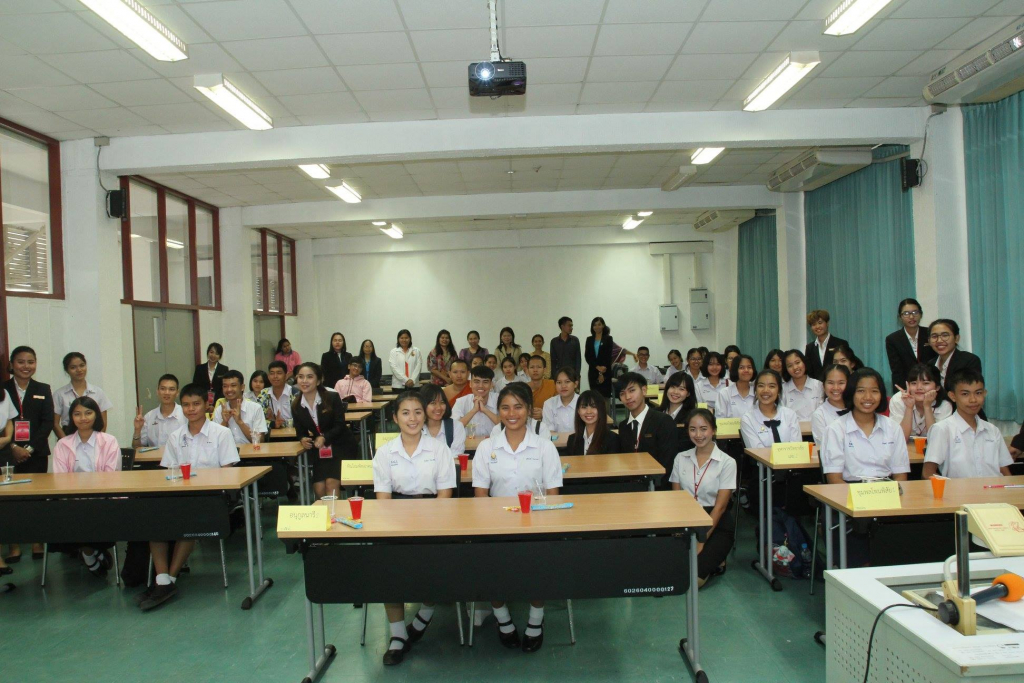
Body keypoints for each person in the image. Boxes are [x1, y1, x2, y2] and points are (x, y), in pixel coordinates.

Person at [473, 384, 563, 652]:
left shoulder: (545, 447)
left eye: (518, 407)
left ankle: (536, 620)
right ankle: (503, 619)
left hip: (537, 522)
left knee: (539, 566)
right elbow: (480, 496)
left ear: (529, 410)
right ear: (498, 411)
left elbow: (553, 496)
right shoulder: (486, 447)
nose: (511, 414)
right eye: (505, 407)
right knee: (488, 568)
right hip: (496, 524)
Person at [373, 391, 456, 665]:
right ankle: (398, 635)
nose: (413, 418)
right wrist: (397, 527)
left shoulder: (439, 449)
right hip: (395, 518)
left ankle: (425, 613)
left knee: (434, 568)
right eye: (406, 413)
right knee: (389, 572)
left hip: (434, 515)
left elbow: (445, 494)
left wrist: (430, 523)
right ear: (395, 418)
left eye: (418, 412)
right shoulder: (385, 452)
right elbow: (383, 499)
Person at [140, 383, 239, 610]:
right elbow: (169, 472)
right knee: (153, 518)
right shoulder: (176, 436)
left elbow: (229, 473)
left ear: (206, 405)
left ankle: (168, 580)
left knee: (188, 520)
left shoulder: (221, 433)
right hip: (181, 495)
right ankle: (164, 579)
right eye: (186, 405)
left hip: (212, 498)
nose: (191, 409)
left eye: (196, 404)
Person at [52, 396, 121, 578]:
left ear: (96, 415)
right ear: (71, 417)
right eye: (77, 414)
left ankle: (89, 553)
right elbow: (60, 479)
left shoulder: (109, 441)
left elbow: (111, 476)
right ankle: (91, 552)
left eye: (88, 413)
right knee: (67, 515)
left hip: (103, 500)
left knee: (87, 515)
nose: (83, 418)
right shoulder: (62, 444)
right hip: (73, 501)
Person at [669, 409, 736, 587]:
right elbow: (676, 500)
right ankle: (715, 562)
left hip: (715, 522)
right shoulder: (680, 458)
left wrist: (701, 539)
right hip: (688, 520)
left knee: (692, 581)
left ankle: (716, 559)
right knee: (670, 571)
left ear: (713, 430)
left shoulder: (727, 462)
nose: (698, 435)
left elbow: (720, 508)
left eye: (704, 429)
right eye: (693, 429)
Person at [3, 345, 53, 562]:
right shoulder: (3, 389)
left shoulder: (43, 388)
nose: (26, 366)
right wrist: (13, 447)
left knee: (37, 499)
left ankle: (37, 543)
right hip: (7, 452)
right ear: (12, 364)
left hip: (36, 452)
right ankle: (14, 546)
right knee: (9, 501)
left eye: (31, 362)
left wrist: (29, 449)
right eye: (21, 362)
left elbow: (47, 422)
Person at [821, 368, 909, 484]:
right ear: (851, 393)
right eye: (861, 391)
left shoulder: (893, 428)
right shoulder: (835, 429)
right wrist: (861, 494)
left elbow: (901, 475)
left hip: (886, 489)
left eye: (874, 391)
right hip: (848, 490)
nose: (868, 397)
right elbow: (834, 479)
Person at [923, 369, 1013, 479]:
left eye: (978, 393)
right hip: (958, 489)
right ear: (952, 396)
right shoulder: (942, 429)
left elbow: (1004, 470)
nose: (973, 400)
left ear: (985, 393)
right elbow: (927, 473)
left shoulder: (992, 430)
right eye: (965, 394)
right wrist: (949, 488)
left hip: (994, 488)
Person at [292, 362, 353, 500]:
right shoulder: (296, 405)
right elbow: (300, 431)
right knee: (319, 488)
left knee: (331, 484)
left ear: (319, 380)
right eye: (301, 377)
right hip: (320, 449)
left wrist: (324, 437)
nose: (304, 381)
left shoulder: (332, 397)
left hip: (340, 445)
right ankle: (325, 513)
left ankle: (336, 513)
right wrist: (302, 439)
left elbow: (340, 425)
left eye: (309, 377)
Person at [618, 372, 677, 485]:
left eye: (632, 390)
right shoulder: (623, 426)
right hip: (630, 487)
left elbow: (668, 462)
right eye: (622, 393)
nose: (627, 397)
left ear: (644, 390)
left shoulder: (663, 421)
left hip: (657, 486)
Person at [53, 352, 113, 439]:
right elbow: (55, 423)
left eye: (82, 365)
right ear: (66, 370)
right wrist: (65, 442)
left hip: (94, 437)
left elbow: (103, 422)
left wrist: (96, 441)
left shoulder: (98, 392)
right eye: (73, 367)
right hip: (68, 436)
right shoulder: (59, 394)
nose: (79, 370)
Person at [885, 298, 937, 393]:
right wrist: (903, 392)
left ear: (921, 314)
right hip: (907, 387)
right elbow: (897, 370)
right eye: (906, 313)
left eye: (915, 312)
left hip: (931, 386)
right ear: (900, 317)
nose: (911, 317)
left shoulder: (930, 333)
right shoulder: (893, 339)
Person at [889, 364, 952, 440]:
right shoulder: (898, 400)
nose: (919, 388)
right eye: (914, 383)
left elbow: (936, 439)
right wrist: (909, 407)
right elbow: (900, 439)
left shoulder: (944, 405)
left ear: (937, 387)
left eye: (926, 383)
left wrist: (927, 406)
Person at [741, 369, 802, 448]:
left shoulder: (790, 415)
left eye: (772, 386)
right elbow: (757, 451)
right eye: (761, 386)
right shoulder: (748, 419)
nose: (766, 390)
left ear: (779, 391)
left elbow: (797, 447)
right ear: (755, 390)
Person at [212, 370, 267, 445]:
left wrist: (240, 422)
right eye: (225, 386)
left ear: (242, 387)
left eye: (233, 385)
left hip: (250, 452)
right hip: (227, 452)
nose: (229, 389)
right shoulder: (219, 410)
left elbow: (260, 441)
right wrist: (224, 422)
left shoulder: (255, 408)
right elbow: (214, 441)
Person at [132, 374, 187, 448]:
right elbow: (137, 448)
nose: (167, 392)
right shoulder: (149, 417)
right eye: (163, 389)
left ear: (177, 393)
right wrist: (137, 430)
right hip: (154, 456)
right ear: (157, 391)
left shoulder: (186, 414)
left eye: (171, 389)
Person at [927, 319, 982, 388]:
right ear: (929, 341)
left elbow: (968, 390)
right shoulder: (930, 364)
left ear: (956, 338)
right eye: (934, 336)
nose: (939, 340)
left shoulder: (969, 360)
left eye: (945, 335)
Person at [566, 389, 621, 455]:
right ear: (578, 411)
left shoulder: (612, 439)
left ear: (601, 409)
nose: (589, 411)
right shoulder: (572, 440)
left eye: (594, 406)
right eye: (584, 407)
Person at [452, 366, 499, 437]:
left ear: (491, 384)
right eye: (477, 382)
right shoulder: (461, 402)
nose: (481, 386)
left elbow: (507, 425)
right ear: (470, 384)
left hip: (495, 443)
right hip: (468, 444)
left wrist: (484, 410)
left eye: (485, 382)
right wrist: (474, 410)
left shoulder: (499, 400)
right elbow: (454, 428)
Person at [420, 384, 466, 455]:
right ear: (422, 405)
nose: (439, 407)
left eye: (442, 402)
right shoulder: (416, 428)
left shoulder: (456, 426)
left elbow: (455, 455)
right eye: (433, 403)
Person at [811, 364, 850, 445]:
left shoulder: (857, 409)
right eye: (830, 383)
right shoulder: (819, 415)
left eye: (841, 383)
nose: (836, 387)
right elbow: (825, 446)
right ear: (823, 385)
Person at [781, 349, 824, 421]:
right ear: (786, 369)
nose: (795, 367)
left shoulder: (819, 385)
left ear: (804, 362)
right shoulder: (783, 389)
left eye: (797, 362)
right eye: (790, 365)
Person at [804, 310, 848, 380]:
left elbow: (845, 368)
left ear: (827, 323)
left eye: (820, 323)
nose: (817, 326)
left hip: (836, 383)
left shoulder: (840, 343)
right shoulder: (809, 348)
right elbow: (809, 371)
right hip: (816, 385)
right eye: (813, 324)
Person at [0, 386, 16, 577]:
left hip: (3, 446)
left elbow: (10, 420)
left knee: (4, 501)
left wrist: (7, 438)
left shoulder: (4, 393)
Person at [257, 361, 299, 428]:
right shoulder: (263, 394)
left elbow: (302, 419)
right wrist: (273, 424)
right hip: (273, 433)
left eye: (279, 373)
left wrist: (282, 424)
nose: (275, 376)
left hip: (294, 432)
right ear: (268, 377)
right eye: (272, 373)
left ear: (286, 376)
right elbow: (257, 419)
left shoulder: (295, 393)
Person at [715, 354, 756, 419]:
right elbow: (720, 420)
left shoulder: (757, 393)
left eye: (749, 367)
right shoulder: (724, 394)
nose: (746, 370)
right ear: (735, 370)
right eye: (741, 367)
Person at [541, 367, 580, 434]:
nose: (563, 386)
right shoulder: (549, 404)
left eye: (567, 382)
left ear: (575, 384)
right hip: (555, 441)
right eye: (559, 382)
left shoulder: (584, 402)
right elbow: (549, 433)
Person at [584, 317, 614, 398]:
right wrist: (597, 367)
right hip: (593, 371)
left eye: (599, 324)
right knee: (594, 397)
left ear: (603, 325)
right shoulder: (589, 339)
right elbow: (588, 356)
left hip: (605, 371)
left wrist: (601, 371)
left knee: (605, 397)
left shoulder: (608, 339)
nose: (597, 327)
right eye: (594, 325)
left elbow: (608, 356)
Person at [526, 355, 555, 420]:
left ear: (544, 370)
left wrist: (545, 413)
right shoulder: (522, 388)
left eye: (539, 367)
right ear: (527, 370)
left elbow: (560, 408)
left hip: (549, 423)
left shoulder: (553, 385)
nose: (535, 370)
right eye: (532, 367)